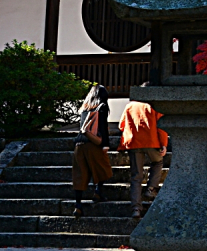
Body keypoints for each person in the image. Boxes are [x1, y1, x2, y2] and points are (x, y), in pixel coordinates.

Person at [118, 92, 169, 219]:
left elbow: (121, 125)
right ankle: (151, 189)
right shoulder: (153, 106)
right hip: (152, 142)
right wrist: (164, 144)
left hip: (134, 143)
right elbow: (161, 127)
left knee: (136, 176)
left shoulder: (130, 106)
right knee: (158, 162)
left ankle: (136, 208)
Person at [71, 84, 113, 218]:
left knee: (79, 175)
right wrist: (105, 144)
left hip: (79, 144)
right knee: (102, 168)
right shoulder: (102, 107)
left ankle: (78, 205)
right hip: (93, 143)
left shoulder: (84, 108)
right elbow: (102, 126)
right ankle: (98, 191)